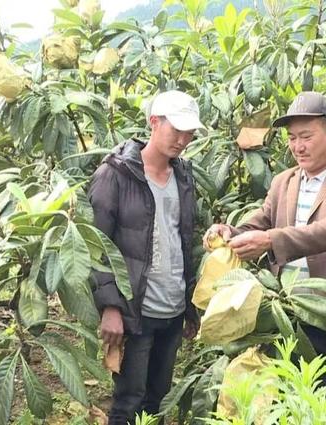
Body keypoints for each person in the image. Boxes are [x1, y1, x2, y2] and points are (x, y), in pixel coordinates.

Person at [203, 91, 326, 406]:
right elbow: (258, 223)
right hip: (286, 317)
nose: (297, 146)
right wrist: (228, 232)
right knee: (287, 404)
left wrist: (273, 240)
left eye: (306, 137)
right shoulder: (284, 181)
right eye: (292, 138)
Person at [88, 90, 204, 424]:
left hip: (172, 306)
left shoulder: (183, 175)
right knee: (129, 401)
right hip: (135, 310)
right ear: (154, 122)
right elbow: (96, 245)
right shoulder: (115, 175)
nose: (183, 140)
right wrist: (110, 306)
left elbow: (184, 238)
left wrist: (190, 305)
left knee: (158, 400)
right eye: (176, 130)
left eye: (189, 132)